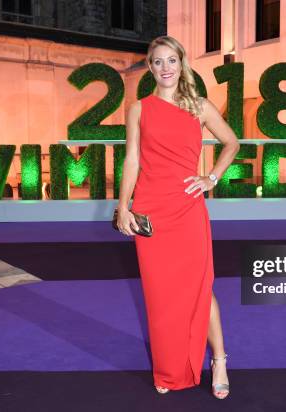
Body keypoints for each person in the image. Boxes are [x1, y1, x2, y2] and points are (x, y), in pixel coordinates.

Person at [115, 35, 240, 399]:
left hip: (187, 209)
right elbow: (132, 160)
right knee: (160, 294)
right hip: (151, 209)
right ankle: (169, 369)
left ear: (182, 64)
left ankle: (219, 359)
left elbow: (231, 142)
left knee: (200, 288)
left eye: (172, 60)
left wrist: (211, 178)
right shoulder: (139, 109)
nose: (165, 68)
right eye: (158, 62)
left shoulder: (199, 106)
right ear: (150, 68)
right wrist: (124, 206)